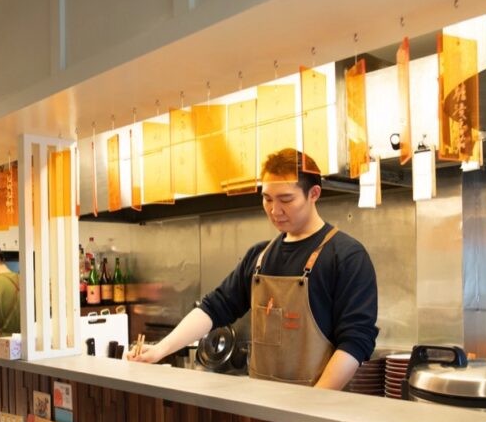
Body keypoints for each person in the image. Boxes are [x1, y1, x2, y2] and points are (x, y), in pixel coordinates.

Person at [130, 148, 378, 389]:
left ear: (314, 194)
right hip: (262, 404)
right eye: (267, 198)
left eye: (286, 199)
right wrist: (159, 350)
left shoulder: (346, 256)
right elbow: (214, 308)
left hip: (321, 410)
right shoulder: (260, 257)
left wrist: (314, 406)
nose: (274, 210)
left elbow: (355, 341)